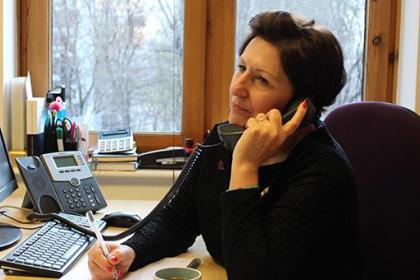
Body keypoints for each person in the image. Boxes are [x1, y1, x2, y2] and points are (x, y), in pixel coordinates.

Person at [88, 10, 360, 280]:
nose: (237, 87)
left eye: (261, 80)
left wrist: (245, 165)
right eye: (241, 68)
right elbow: (177, 220)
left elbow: (254, 274)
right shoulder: (226, 138)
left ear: (300, 106)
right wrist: (129, 251)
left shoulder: (322, 173)